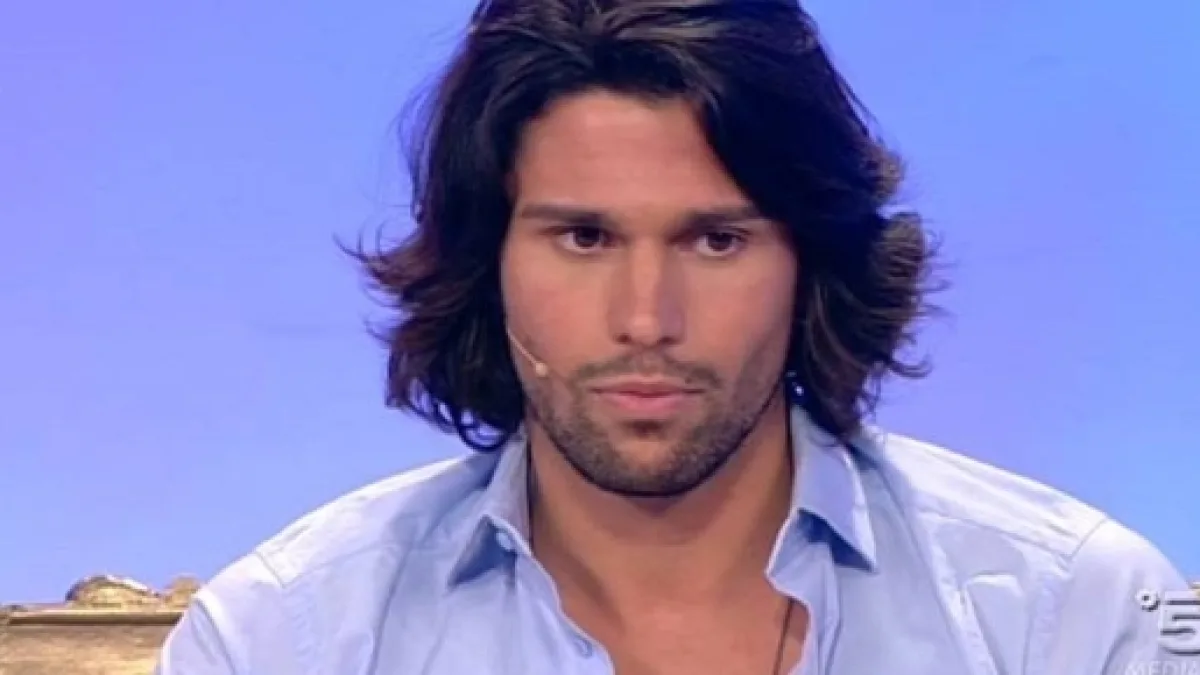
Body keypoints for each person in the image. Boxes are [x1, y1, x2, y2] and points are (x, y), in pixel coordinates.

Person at [158, 1, 1194, 673]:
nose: (647, 319)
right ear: (487, 259)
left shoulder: (1076, 616)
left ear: (810, 259)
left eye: (715, 239)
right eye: (584, 237)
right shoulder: (283, 641)